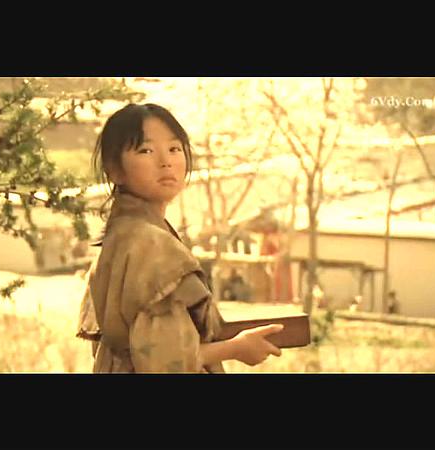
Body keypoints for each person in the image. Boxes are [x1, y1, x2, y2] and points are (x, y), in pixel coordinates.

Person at [76, 103, 283, 373]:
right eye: (146, 150)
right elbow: (164, 359)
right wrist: (236, 348)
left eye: (174, 149)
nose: (166, 162)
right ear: (114, 169)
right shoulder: (149, 243)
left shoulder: (127, 233)